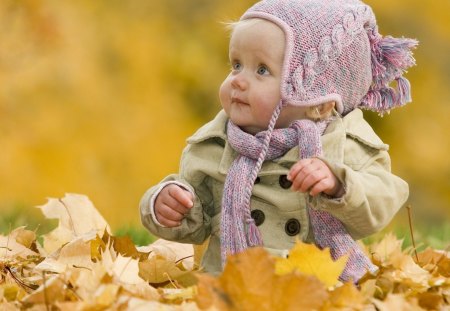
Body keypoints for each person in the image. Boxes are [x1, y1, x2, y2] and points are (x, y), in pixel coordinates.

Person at [140, 0, 417, 282]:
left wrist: (339, 184)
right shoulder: (214, 144)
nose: (238, 80)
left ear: (317, 102)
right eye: (236, 65)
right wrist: (167, 205)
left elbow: (381, 199)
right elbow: (195, 223)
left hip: (318, 287)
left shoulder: (342, 142)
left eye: (262, 70)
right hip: (231, 284)